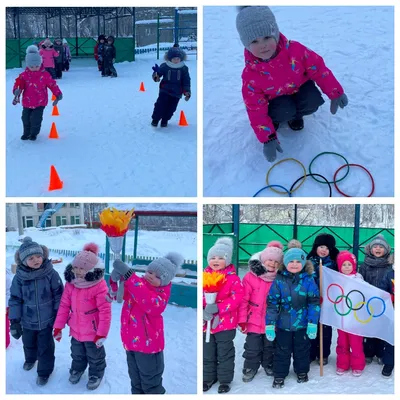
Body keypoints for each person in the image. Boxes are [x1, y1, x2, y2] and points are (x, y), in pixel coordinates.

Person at [235, 6, 348, 162]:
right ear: (246, 44)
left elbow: (319, 69)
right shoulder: (251, 75)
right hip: (276, 100)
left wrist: (335, 92)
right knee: (284, 109)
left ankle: (296, 116)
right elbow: (254, 107)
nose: (263, 45)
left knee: (311, 99)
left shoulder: (295, 50)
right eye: (254, 41)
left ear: (275, 33)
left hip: (298, 89)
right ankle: (278, 119)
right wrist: (267, 137)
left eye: (267, 37)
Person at [110, 253, 184, 394]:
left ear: (165, 280)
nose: (151, 276)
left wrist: (130, 276)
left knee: (150, 384)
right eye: (150, 272)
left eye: (157, 276)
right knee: (136, 381)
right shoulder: (138, 284)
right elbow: (120, 295)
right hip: (131, 344)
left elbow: (149, 302)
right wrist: (117, 279)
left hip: (149, 348)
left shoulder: (160, 295)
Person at [53, 243, 111, 390]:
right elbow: (64, 306)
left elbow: (105, 311)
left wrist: (102, 333)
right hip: (76, 328)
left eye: (82, 269)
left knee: (95, 355)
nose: (78, 271)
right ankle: (78, 368)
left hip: (93, 331)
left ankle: (96, 373)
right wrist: (58, 326)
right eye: (76, 267)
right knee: (77, 352)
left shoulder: (99, 285)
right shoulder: (71, 284)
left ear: (91, 269)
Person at [8, 237, 64, 386]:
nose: (36, 260)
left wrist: (58, 316)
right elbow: (15, 299)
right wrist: (14, 321)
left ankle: (44, 372)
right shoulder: (19, 278)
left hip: (47, 320)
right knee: (29, 343)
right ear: (23, 261)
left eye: (39, 256)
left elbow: (59, 295)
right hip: (27, 321)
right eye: (31, 258)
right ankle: (30, 359)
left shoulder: (51, 274)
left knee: (46, 347)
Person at [266, 248, 320, 388]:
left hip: (302, 324)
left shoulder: (308, 280)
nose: (294, 264)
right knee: (282, 350)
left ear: (303, 263)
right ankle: (279, 374)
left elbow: (314, 302)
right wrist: (270, 324)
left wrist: (312, 322)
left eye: (298, 261)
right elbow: (272, 303)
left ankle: (302, 371)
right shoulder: (279, 280)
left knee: (302, 349)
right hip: (283, 324)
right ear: (285, 262)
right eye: (291, 261)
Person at [203, 237, 244, 394]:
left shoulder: (232, 278)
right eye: (213, 257)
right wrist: (205, 308)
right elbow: (201, 294)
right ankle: (207, 378)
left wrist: (218, 307)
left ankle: (225, 380)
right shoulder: (204, 275)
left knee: (225, 352)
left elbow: (237, 298)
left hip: (226, 323)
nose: (216, 260)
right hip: (205, 322)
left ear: (227, 260)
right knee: (207, 351)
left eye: (221, 258)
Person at [238, 241, 283, 382]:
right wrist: (242, 319)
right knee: (252, 346)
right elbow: (243, 300)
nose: (272, 264)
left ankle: (268, 364)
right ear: (263, 260)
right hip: (253, 319)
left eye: (276, 261)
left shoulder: (280, 278)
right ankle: (250, 366)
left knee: (270, 345)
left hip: (272, 321)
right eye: (270, 260)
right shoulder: (251, 277)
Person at [12, 45, 62, 141]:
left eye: (37, 66)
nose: (35, 68)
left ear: (40, 63)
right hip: (27, 102)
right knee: (25, 118)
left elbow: (52, 85)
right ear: (27, 65)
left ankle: (34, 133)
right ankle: (26, 133)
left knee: (35, 119)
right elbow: (18, 85)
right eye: (32, 66)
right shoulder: (23, 76)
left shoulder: (45, 75)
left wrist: (58, 94)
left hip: (40, 102)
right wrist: (16, 91)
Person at [359, 234, 393, 365]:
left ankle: (380, 352)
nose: (378, 249)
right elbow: (360, 282)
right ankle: (368, 352)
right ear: (370, 249)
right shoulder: (365, 265)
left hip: (385, 303)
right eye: (375, 246)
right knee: (369, 328)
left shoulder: (389, 266)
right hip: (368, 302)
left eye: (381, 247)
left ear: (386, 249)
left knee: (382, 328)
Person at [307, 233, 339, 365]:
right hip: (311, 302)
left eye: (327, 248)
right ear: (316, 247)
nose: (324, 250)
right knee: (311, 326)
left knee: (325, 329)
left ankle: (323, 354)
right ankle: (311, 352)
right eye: (321, 246)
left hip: (327, 302)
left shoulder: (333, 264)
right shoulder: (308, 262)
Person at [335, 251, 366, 376]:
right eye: (344, 264)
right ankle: (342, 364)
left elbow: (366, 293)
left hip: (355, 318)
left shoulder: (359, 279)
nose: (347, 267)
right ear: (339, 266)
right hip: (342, 317)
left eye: (349, 264)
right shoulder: (336, 278)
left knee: (356, 342)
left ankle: (357, 365)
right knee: (342, 342)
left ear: (354, 265)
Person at [151, 46, 191, 128]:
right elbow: (157, 74)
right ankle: (155, 119)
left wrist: (187, 91)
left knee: (171, 108)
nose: (176, 60)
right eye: (174, 59)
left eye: (178, 59)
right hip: (165, 90)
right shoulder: (165, 66)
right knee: (160, 105)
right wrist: (156, 76)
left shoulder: (183, 68)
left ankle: (165, 120)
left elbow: (186, 81)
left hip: (177, 92)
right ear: (170, 59)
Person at [378, 267, 395, 378]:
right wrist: (389, 297)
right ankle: (389, 362)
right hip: (393, 311)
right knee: (392, 338)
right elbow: (382, 291)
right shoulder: (390, 274)